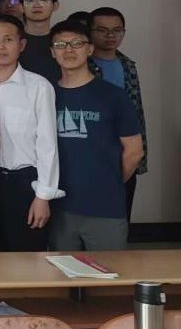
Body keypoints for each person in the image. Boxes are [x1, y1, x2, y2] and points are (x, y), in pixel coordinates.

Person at [0, 15, 61, 252]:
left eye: (8, 39)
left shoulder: (39, 87)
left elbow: (47, 145)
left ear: (22, 44)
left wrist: (43, 197)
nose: (1, 46)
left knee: (26, 254)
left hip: (23, 183)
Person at [49, 21, 143, 251]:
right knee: (61, 270)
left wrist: (108, 181)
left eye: (77, 43)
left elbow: (134, 151)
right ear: (52, 52)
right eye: (60, 44)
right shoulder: (45, 94)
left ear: (90, 49)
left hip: (105, 208)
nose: (68, 50)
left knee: (108, 271)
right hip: (58, 206)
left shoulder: (113, 96)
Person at [86, 7, 148, 224]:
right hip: (90, 152)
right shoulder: (81, 64)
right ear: (89, 32)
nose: (110, 35)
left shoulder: (128, 66)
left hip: (124, 152)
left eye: (116, 30)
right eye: (102, 30)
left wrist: (140, 156)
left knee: (120, 217)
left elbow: (137, 113)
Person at [19, 0, 62, 86]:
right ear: (21, 7)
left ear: (55, 5)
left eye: (44, 0)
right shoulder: (14, 40)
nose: (37, 4)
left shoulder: (63, 42)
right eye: (30, 0)